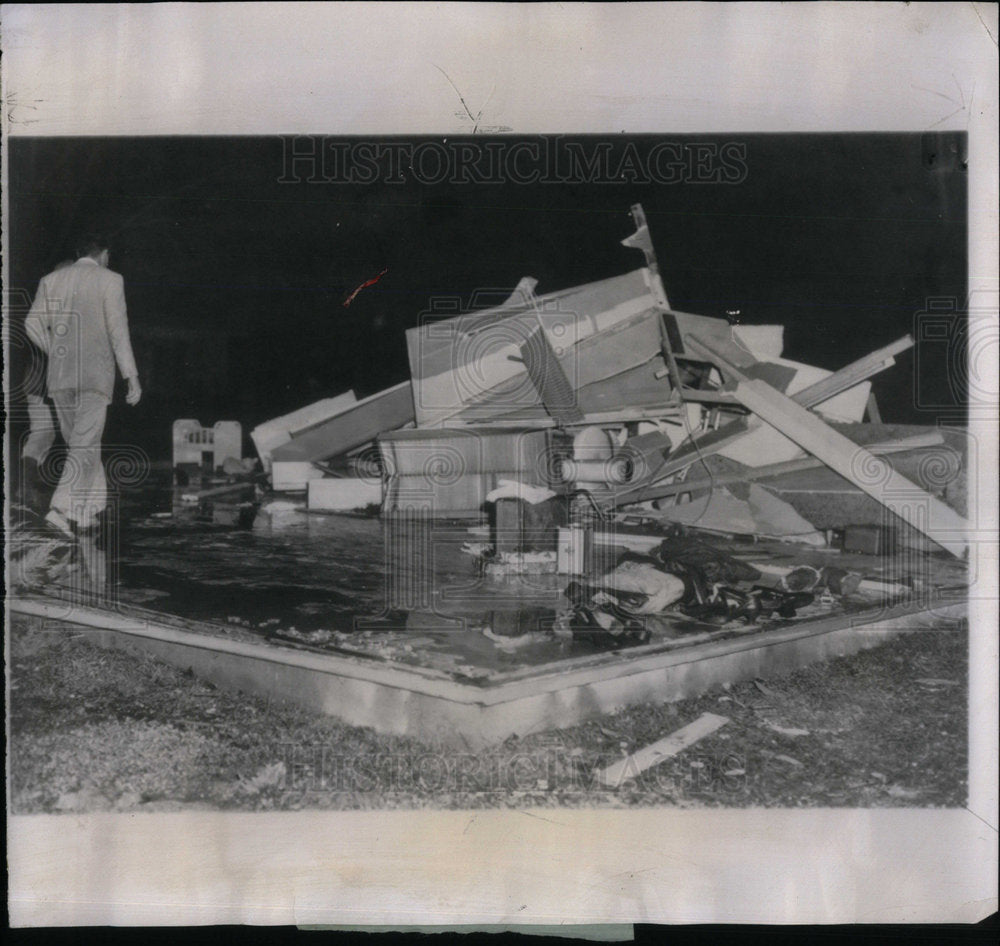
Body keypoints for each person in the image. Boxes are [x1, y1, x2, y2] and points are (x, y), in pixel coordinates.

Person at [25, 234, 142, 536]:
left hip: (60, 377)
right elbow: (119, 331)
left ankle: (88, 510)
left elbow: (31, 324)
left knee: (83, 444)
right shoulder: (111, 279)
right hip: (94, 376)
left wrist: (56, 351)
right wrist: (132, 375)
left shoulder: (51, 279)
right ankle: (61, 510)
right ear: (104, 254)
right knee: (84, 444)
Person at [18, 260, 72, 511]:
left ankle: (27, 483)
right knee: (62, 434)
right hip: (50, 379)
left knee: (43, 432)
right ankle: (65, 500)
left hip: (34, 378)